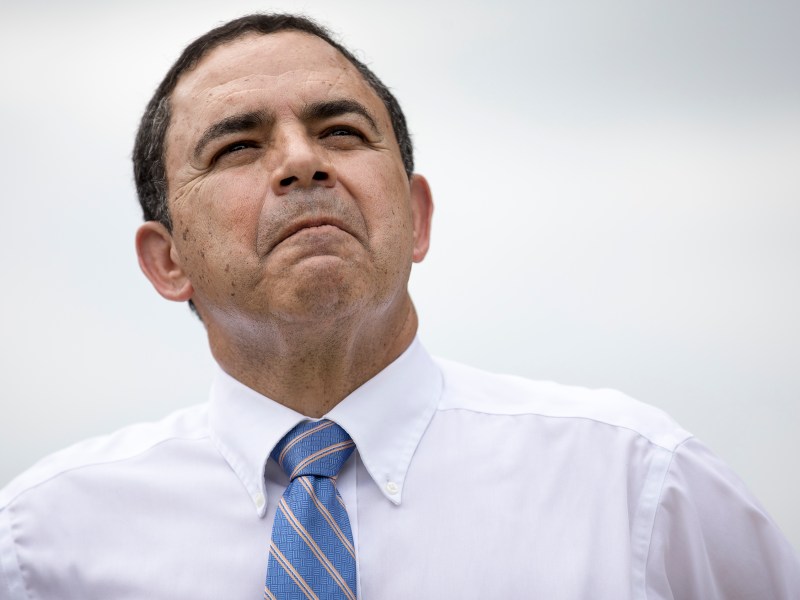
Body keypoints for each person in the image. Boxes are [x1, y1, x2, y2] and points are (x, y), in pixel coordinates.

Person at [0, 13, 798, 600]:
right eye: (239, 147)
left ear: (415, 217)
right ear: (167, 261)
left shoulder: (639, 490)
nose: (302, 162)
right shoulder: (42, 546)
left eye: (341, 132)